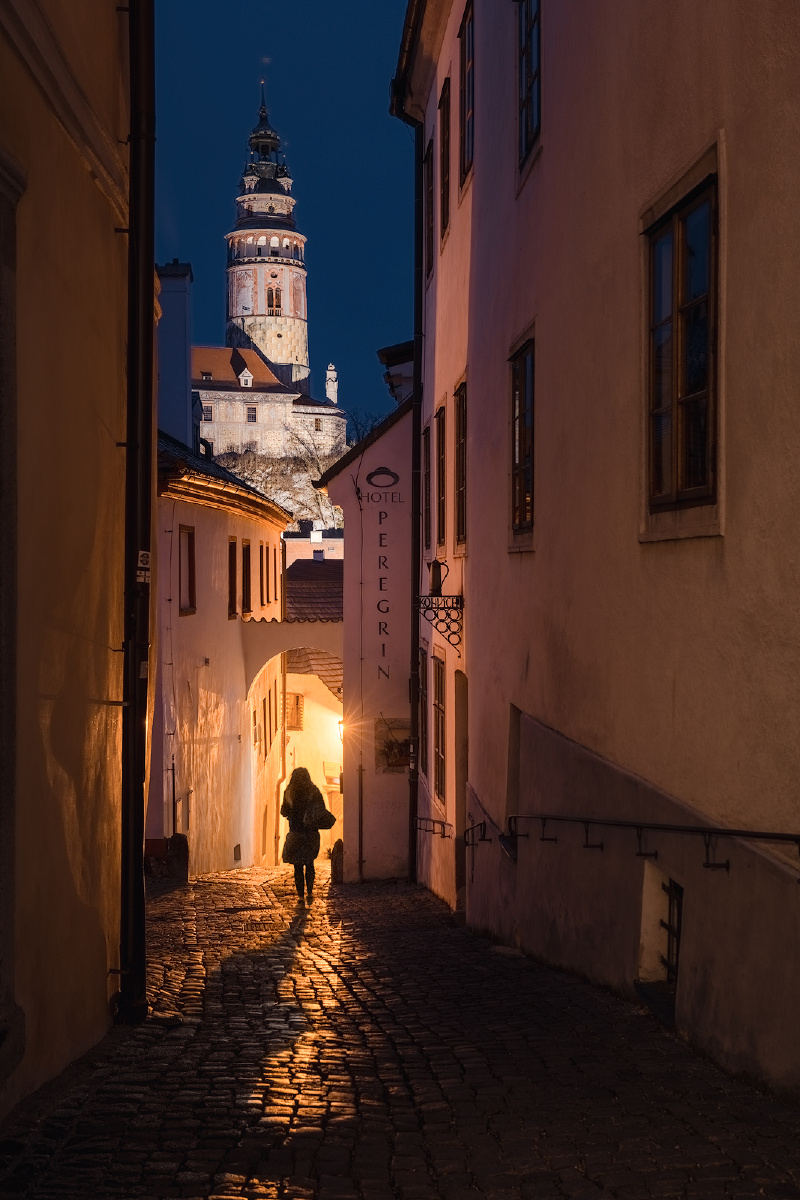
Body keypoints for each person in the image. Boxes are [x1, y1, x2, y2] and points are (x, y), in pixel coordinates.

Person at [280, 766, 335, 902]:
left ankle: (300, 896)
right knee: (309, 863)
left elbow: (284, 812)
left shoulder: (289, 792)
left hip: (295, 832)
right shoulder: (313, 791)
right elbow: (321, 810)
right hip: (311, 833)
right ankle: (310, 892)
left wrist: (293, 812)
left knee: (297, 866)